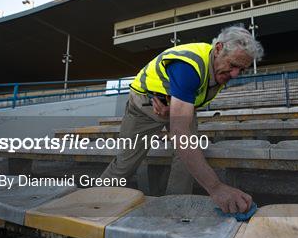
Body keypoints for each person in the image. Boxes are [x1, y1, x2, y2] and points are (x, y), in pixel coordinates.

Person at [101, 24, 264, 213]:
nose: (235, 74)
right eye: (233, 65)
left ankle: (175, 208)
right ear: (218, 49)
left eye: (241, 70)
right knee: (125, 163)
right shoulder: (189, 67)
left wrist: (172, 112)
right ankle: (93, 202)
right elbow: (181, 134)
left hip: (176, 104)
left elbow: (186, 107)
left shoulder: (219, 66)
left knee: (187, 159)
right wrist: (216, 188)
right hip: (144, 107)